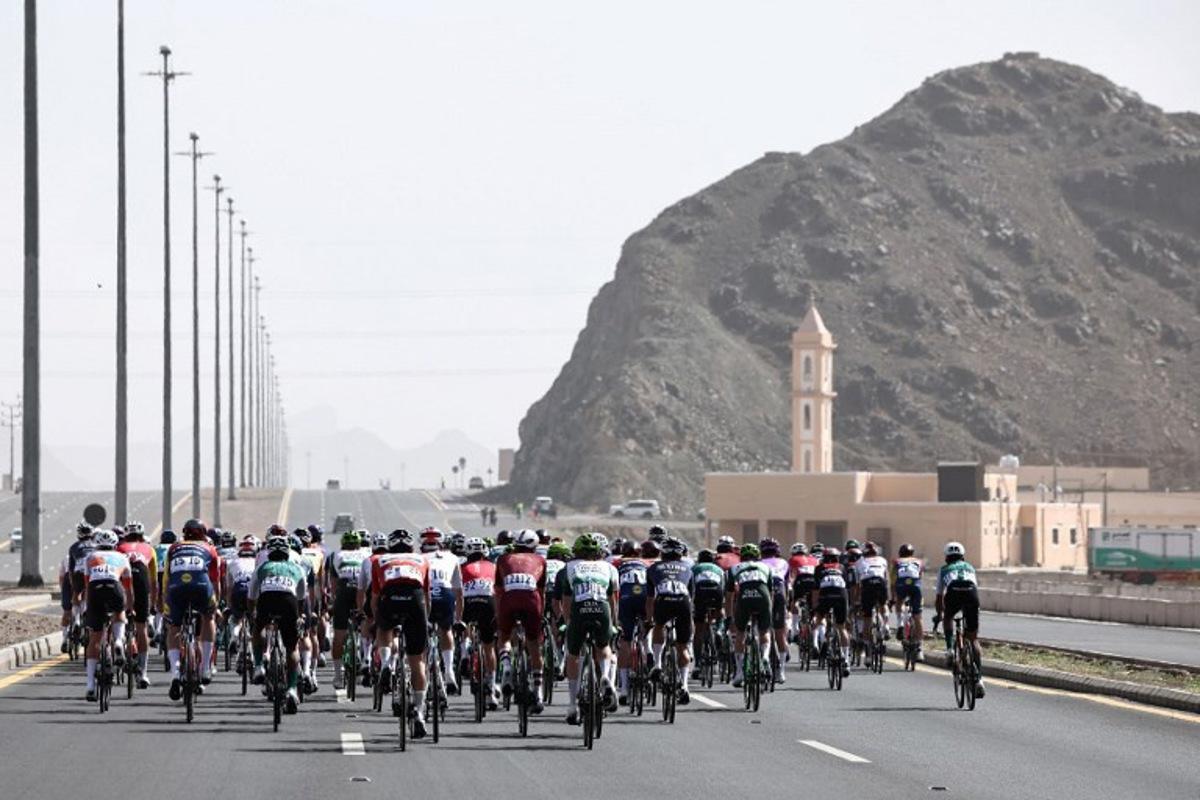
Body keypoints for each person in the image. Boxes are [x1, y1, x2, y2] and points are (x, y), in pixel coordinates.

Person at [371, 528, 432, 739]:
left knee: (384, 629)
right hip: (415, 600)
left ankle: (387, 662)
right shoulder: (421, 559)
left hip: (390, 597)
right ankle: (419, 713)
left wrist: (375, 620)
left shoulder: (380, 559)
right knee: (417, 662)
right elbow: (427, 595)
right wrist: (427, 620)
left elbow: (375, 596)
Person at [556, 533, 620, 724]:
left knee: (573, 655)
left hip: (580, 610)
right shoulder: (609, 568)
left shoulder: (569, 567)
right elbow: (613, 601)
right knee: (604, 646)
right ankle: (606, 676)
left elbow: (566, 602)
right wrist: (614, 624)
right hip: (602, 609)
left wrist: (568, 624)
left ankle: (572, 706)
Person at [249, 535, 308, 713]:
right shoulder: (296, 567)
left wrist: (254, 617)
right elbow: (301, 597)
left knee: (258, 629)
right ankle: (291, 689)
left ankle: (258, 666)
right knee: (292, 648)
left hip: (266, 600)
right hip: (288, 601)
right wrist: (299, 616)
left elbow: (251, 596)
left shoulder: (262, 567)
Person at [164, 518, 221, 700]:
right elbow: (215, 581)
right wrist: (216, 604)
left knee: (174, 628)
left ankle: (175, 672)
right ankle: (205, 668)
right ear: (203, 534)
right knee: (208, 618)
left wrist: (165, 601)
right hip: (201, 587)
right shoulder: (209, 548)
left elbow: (167, 577)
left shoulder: (173, 548)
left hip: (176, 588)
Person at [495, 529, 547, 714]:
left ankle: (507, 665)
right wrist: (541, 615)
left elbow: (498, 591)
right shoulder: (541, 560)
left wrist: (498, 614)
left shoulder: (503, 559)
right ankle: (538, 691)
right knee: (534, 643)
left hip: (509, 600)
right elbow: (541, 592)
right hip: (532, 601)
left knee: (504, 636)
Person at [82, 529, 134, 701]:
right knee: (119, 614)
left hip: (95, 589)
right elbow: (128, 588)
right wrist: (128, 609)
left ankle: (90, 685)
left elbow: (87, 586)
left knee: (95, 639)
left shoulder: (91, 557)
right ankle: (119, 641)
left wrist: (88, 609)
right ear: (115, 544)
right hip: (114, 587)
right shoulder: (122, 557)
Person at [647, 536, 695, 704]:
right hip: (683, 603)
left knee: (658, 626)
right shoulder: (688, 568)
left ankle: (658, 663)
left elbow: (650, 597)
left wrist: (649, 619)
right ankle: (684, 686)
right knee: (682, 646)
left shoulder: (654, 567)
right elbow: (692, 596)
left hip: (663, 600)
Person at [934, 541, 983, 698]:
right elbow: (974, 587)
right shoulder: (970, 567)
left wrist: (940, 615)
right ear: (963, 556)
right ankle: (979, 679)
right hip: (971, 593)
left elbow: (939, 597)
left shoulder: (943, 569)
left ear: (947, 557)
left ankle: (949, 650)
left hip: (954, 592)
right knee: (973, 638)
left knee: (948, 617)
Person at [421, 527, 463, 696]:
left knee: (420, 633)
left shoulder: (419, 558)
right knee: (446, 630)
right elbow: (459, 593)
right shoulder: (452, 558)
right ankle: (449, 670)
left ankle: (423, 673)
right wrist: (458, 618)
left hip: (426, 595)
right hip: (445, 594)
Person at [459, 536, 500, 709]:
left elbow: (456, 592)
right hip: (489, 602)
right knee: (489, 645)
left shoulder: (462, 567)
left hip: (468, 603)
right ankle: (492, 685)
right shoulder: (494, 566)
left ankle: (465, 648)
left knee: (462, 622)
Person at [116, 521, 158, 688]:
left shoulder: (119, 548)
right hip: (141, 580)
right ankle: (143, 672)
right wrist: (153, 604)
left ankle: (117, 646)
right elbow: (154, 582)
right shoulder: (149, 549)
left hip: (122, 581)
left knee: (116, 618)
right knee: (141, 627)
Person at [726, 543, 772, 688]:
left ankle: (739, 672)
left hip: (744, 596)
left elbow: (729, 596)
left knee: (740, 632)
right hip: (763, 595)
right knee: (764, 631)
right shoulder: (766, 567)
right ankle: (765, 657)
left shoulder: (734, 568)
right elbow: (771, 593)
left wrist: (729, 617)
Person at [328, 530, 368, 690]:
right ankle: (365, 662)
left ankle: (338, 676)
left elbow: (333, 582)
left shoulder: (335, 555)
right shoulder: (366, 554)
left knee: (339, 635)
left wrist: (332, 600)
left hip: (344, 591)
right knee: (368, 626)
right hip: (361, 592)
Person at [615, 539, 653, 705]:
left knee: (625, 640)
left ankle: (623, 688)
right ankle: (649, 648)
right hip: (644, 597)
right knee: (649, 625)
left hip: (626, 599)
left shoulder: (617, 563)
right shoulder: (648, 563)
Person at [812, 548, 851, 678]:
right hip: (841, 595)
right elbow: (847, 586)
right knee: (841, 627)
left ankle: (818, 642)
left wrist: (815, 606)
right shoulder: (842, 567)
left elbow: (816, 589)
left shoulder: (819, 568)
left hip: (825, 594)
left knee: (819, 618)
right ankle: (846, 660)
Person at [224, 536, 258, 674]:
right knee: (255, 622)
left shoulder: (232, 562)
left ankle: (234, 635)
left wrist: (228, 605)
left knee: (235, 618)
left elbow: (229, 587)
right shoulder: (258, 562)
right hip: (253, 592)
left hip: (238, 589)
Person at [758, 538, 790, 683]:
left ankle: (763, 656)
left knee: (763, 630)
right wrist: (787, 605)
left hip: (764, 592)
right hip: (780, 592)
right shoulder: (784, 563)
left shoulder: (759, 563)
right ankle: (781, 671)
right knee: (780, 633)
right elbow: (787, 585)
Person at [691, 548, 726, 661]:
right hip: (716, 591)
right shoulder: (719, 569)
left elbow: (691, 587)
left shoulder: (695, 568)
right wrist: (720, 606)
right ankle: (719, 630)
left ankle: (697, 664)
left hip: (701, 592)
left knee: (699, 629)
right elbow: (723, 588)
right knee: (720, 612)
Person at [891, 543, 925, 661]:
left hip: (901, 584)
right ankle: (920, 648)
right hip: (915, 585)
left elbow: (893, 580)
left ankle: (900, 624)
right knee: (918, 617)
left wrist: (892, 598)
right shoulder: (919, 561)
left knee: (899, 601)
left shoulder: (896, 561)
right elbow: (920, 577)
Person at [855, 541, 890, 642]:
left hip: (867, 584)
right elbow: (886, 578)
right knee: (883, 604)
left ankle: (867, 649)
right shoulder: (883, 560)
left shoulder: (859, 562)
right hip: (881, 582)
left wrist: (857, 600)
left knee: (867, 617)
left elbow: (858, 585)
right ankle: (886, 625)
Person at [787, 543, 819, 648]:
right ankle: (815, 642)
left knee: (794, 602)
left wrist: (790, 589)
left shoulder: (792, 559)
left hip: (801, 581)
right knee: (814, 611)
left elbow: (791, 575)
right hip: (814, 582)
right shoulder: (814, 559)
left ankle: (795, 630)